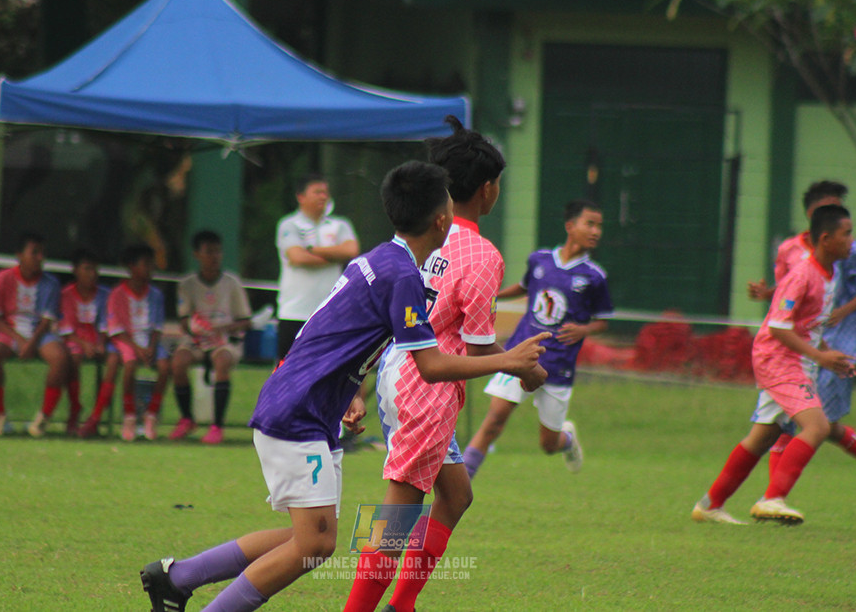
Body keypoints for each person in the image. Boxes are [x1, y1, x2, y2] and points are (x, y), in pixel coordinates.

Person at [139, 160, 549, 612]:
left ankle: (178, 578)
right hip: (305, 410)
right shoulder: (405, 274)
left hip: (310, 405)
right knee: (329, 539)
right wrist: (508, 360)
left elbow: (335, 333)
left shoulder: (378, 259)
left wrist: (350, 392)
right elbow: (430, 366)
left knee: (319, 538)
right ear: (441, 217)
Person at [343, 116, 541, 612]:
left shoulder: (418, 235)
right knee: (396, 515)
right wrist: (525, 367)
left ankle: (400, 605)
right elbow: (476, 350)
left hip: (397, 371)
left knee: (455, 496)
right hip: (425, 386)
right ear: (489, 189)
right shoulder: (481, 254)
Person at [692, 204, 856, 525]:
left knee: (763, 436)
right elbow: (779, 327)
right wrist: (821, 357)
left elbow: (808, 324)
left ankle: (710, 505)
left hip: (794, 359)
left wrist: (828, 356)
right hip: (778, 357)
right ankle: (772, 499)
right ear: (826, 239)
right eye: (847, 233)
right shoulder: (803, 274)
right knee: (818, 426)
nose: (852, 240)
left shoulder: (831, 274)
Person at [747, 181, 856, 496]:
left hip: (836, 343)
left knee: (821, 421)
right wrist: (766, 293)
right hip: (795, 346)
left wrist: (841, 313)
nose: (839, 221)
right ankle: (773, 497)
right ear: (812, 215)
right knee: (796, 420)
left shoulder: (851, 248)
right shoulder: (790, 250)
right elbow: (786, 298)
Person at [462, 199, 613, 479]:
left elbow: (603, 321)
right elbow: (523, 286)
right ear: (570, 226)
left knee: (548, 444)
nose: (596, 231)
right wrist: (492, 296)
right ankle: (462, 482)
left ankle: (566, 439)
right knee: (493, 421)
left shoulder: (595, 277)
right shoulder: (540, 259)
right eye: (590, 223)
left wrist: (584, 330)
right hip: (520, 353)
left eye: (600, 226)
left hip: (559, 363)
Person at [169, 230, 252, 444]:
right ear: (197, 254)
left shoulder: (232, 283)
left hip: (224, 341)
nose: (214, 256)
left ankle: (217, 426)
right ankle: (187, 419)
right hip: (196, 341)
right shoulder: (187, 284)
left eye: (217, 251)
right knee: (178, 362)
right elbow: (184, 321)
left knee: (222, 361)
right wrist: (194, 327)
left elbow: (246, 320)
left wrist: (221, 330)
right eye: (209, 252)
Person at [0, 233, 68, 438]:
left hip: (38, 335)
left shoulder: (50, 283)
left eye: (42, 253)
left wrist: (31, 342)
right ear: (19, 255)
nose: (40, 257)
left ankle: (43, 418)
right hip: (10, 332)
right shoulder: (3, 278)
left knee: (60, 357)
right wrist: (19, 340)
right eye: (34, 252)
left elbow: (46, 321)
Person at [274, 174, 359, 359]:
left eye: (326, 192)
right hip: (294, 312)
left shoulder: (339, 225)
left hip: (330, 312)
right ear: (301, 197)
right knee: (287, 372)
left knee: (333, 368)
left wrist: (312, 249)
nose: (323, 197)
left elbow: (351, 250)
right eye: (317, 192)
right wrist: (334, 256)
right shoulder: (289, 224)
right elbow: (297, 257)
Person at [106, 244, 169, 442]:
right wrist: (137, 348)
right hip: (128, 341)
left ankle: (152, 414)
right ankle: (130, 415)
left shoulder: (156, 295)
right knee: (130, 364)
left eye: (152, 265)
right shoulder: (117, 294)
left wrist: (150, 347)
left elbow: (157, 327)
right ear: (132, 267)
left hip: (148, 343)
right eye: (145, 264)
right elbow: (116, 328)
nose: (150, 269)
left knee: (165, 366)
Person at [57, 249, 114, 437]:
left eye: (95, 269)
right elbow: (66, 329)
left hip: (99, 340)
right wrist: (84, 344)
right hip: (76, 340)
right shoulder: (66, 294)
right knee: (73, 357)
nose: (92, 274)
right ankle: (75, 408)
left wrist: (100, 342)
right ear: (75, 270)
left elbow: (107, 323)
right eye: (87, 269)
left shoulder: (105, 294)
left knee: (114, 359)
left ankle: (95, 418)